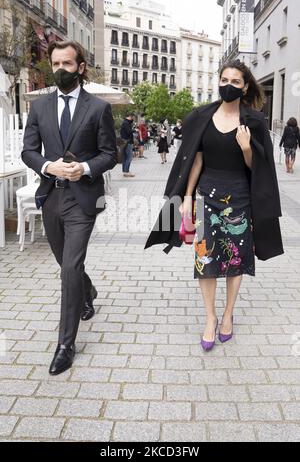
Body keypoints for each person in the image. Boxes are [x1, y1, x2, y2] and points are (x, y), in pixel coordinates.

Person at [145, 60, 284, 352]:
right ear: (218, 81)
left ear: (245, 87)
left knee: (236, 261)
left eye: (236, 82)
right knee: (205, 260)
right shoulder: (201, 117)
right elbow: (196, 159)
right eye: (225, 80)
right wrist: (186, 197)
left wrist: (247, 148)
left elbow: (259, 167)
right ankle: (210, 317)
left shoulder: (255, 121)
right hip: (207, 197)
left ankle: (228, 315)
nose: (229, 86)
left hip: (241, 198)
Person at [21, 40, 117, 375]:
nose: (61, 69)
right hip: (51, 195)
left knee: (68, 267)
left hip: (82, 198)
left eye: (67, 64)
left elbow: (109, 154)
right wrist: (48, 166)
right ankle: (87, 290)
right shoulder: (40, 107)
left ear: (81, 66)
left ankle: (66, 344)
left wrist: (85, 168)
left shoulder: (98, 108)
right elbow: (28, 151)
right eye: (56, 64)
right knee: (66, 263)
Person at [120, 112, 135, 177]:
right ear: (130, 116)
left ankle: (125, 171)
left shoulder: (125, 122)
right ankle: (126, 172)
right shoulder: (126, 123)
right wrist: (134, 130)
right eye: (132, 117)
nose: (133, 118)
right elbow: (129, 132)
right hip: (128, 142)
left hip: (125, 142)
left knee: (125, 157)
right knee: (129, 157)